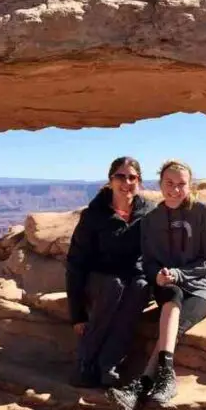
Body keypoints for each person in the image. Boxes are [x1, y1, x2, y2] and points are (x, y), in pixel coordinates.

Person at [107, 159, 206, 410]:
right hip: (167, 285)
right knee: (171, 294)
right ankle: (164, 379)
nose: (175, 190)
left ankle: (142, 384)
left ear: (190, 186)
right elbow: (148, 261)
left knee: (173, 325)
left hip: (200, 287)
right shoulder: (152, 219)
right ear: (160, 184)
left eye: (181, 184)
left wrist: (181, 273)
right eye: (169, 183)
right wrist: (156, 275)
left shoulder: (203, 211)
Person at [65, 156, 157, 388]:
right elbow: (76, 261)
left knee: (140, 287)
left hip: (132, 276)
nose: (126, 182)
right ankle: (85, 363)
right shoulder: (94, 215)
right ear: (110, 180)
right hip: (98, 278)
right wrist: (77, 314)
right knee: (113, 285)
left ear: (140, 182)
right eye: (120, 176)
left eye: (132, 177)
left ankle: (109, 365)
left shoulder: (148, 213)